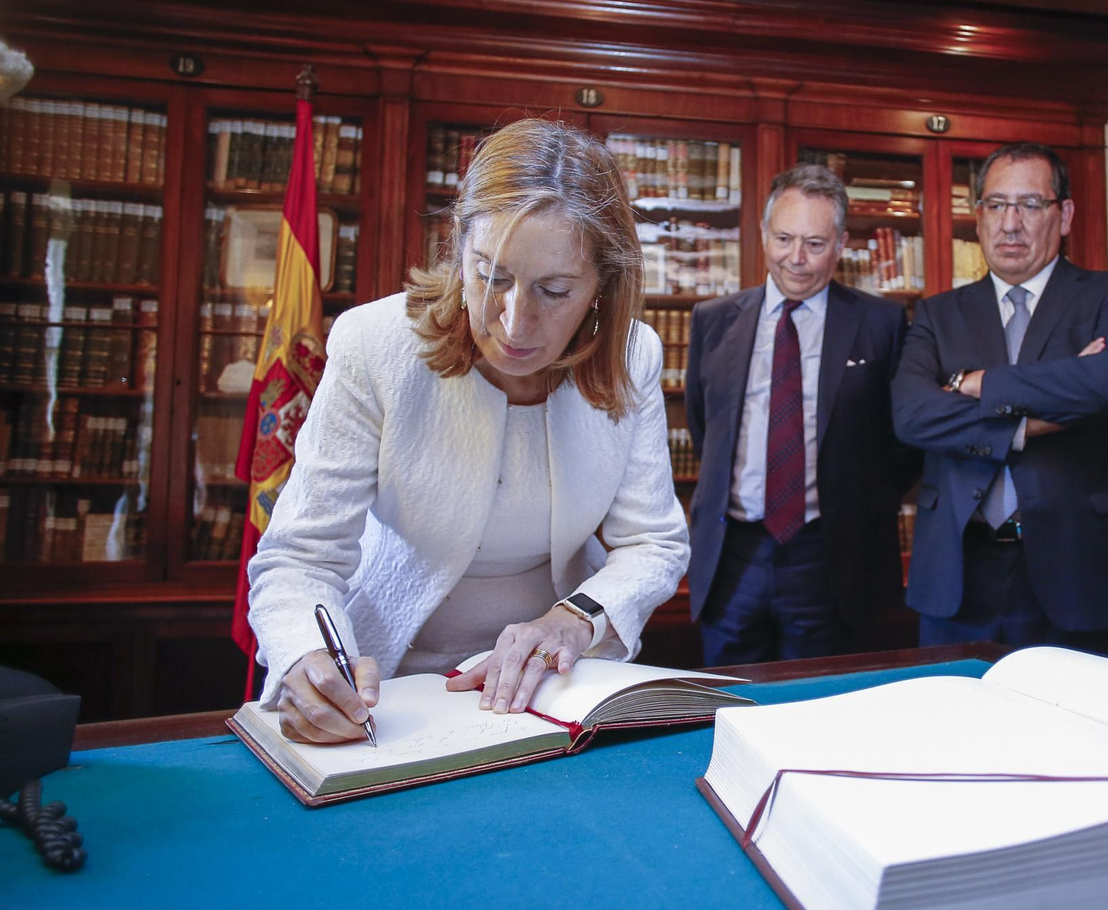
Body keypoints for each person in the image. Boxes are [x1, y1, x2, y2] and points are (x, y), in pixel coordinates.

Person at [247, 119, 690, 744]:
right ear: (460, 248)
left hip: (562, 683)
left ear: (602, 288)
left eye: (554, 290)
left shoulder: (631, 355)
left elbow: (653, 544)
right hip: (393, 688)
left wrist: (572, 621)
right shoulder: (373, 345)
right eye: (492, 275)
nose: (514, 322)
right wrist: (304, 658)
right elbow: (300, 556)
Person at [891, 142, 1108, 652]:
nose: (1010, 223)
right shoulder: (937, 314)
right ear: (978, 217)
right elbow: (912, 417)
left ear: (1065, 215)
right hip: (958, 575)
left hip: (1084, 571)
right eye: (996, 205)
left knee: (1082, 731)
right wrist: (1028, 423)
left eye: (1031, 205)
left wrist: (976, 384)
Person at [684, 164, 916, 664]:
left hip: (830, 555)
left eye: (815, 243)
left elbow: (902, 443)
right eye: (784, 238)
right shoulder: (713, 320)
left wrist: (858, 503)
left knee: (820, 706)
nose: (797, 259)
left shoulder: (882, 324)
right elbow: (707, 431)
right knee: (731, 703)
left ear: (840, 244)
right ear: (763, 234)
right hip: (732, 555)